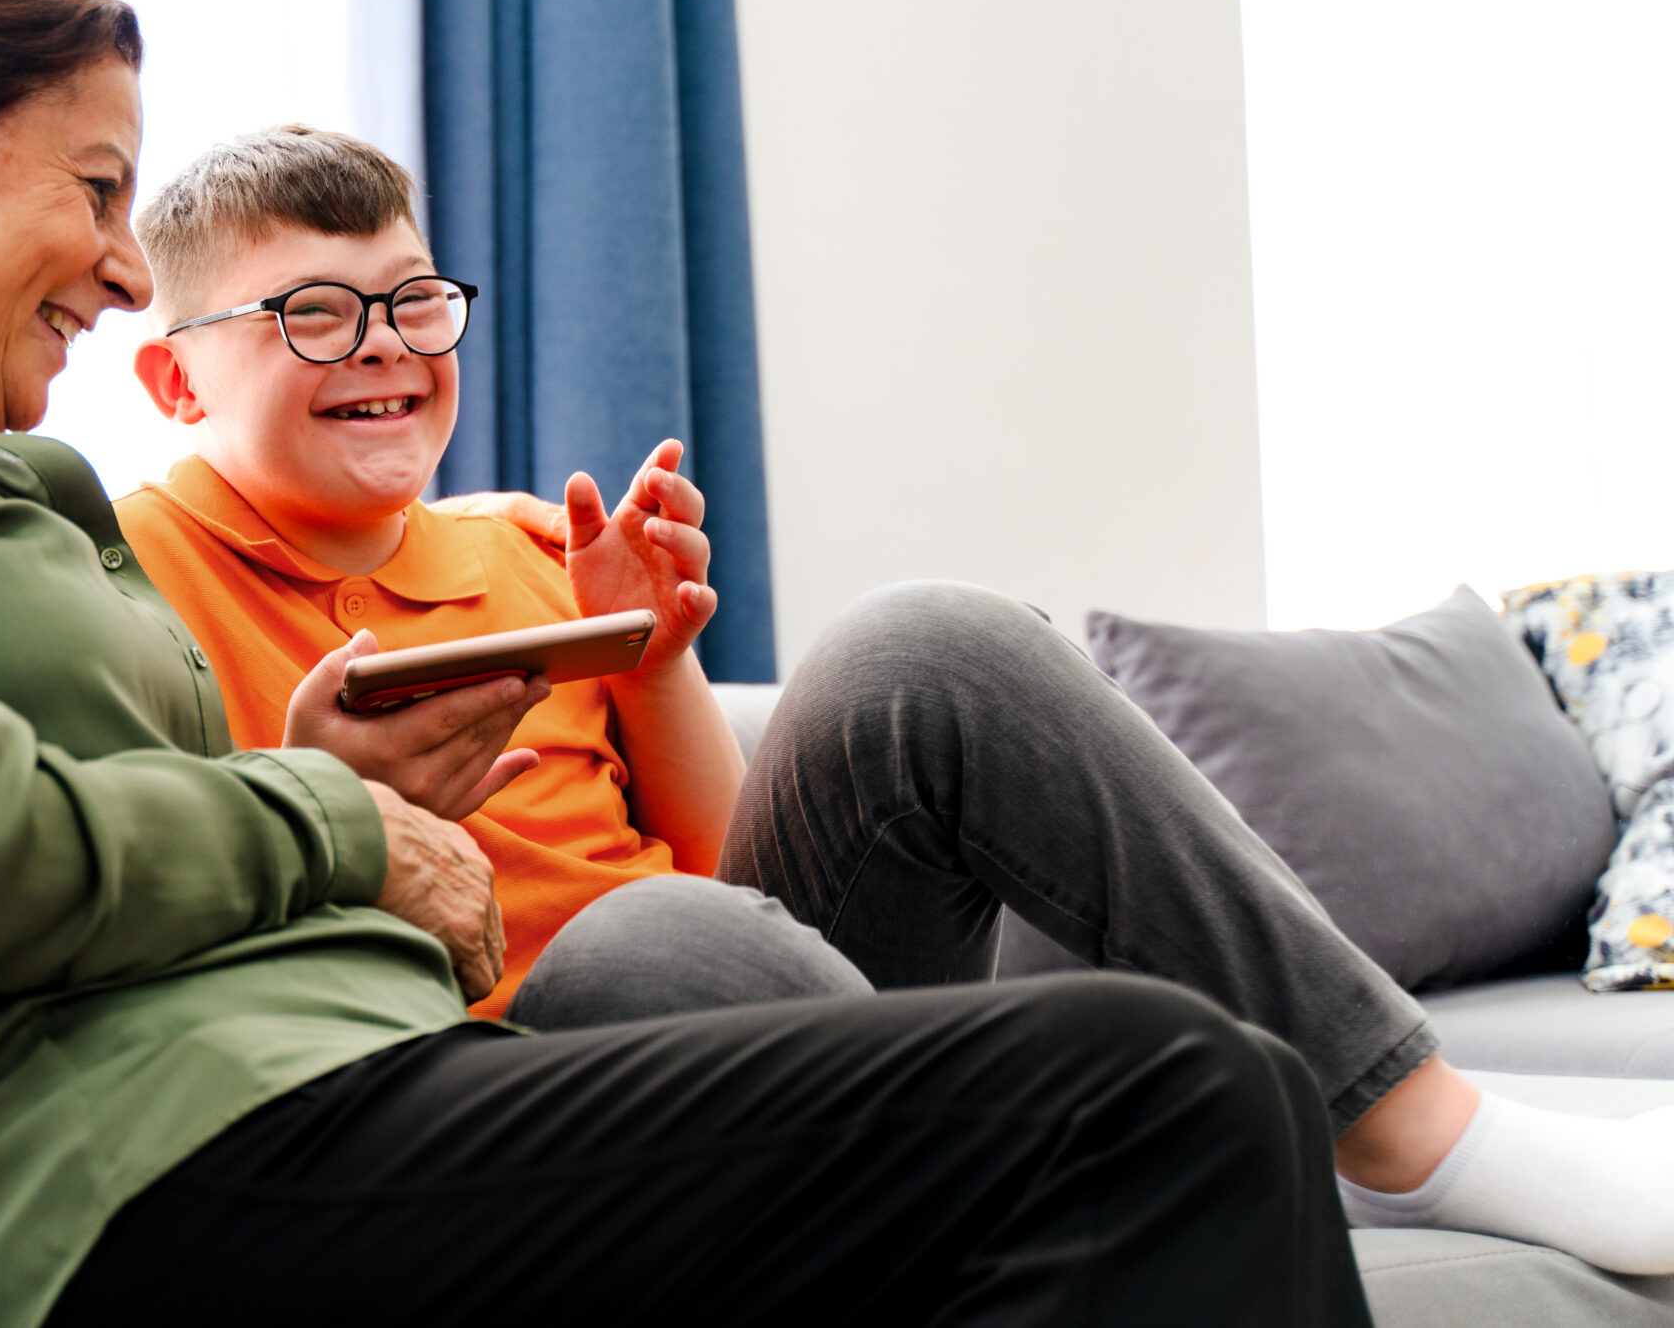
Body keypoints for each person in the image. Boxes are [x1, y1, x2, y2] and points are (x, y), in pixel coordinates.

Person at [0, 0, 1370, 1328]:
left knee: (1150, 1043)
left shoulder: (21, 500)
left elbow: (140, 857)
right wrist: (339, 821)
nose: (125, 258)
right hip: (116, 1194)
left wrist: (322, 783)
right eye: (93, 189)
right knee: (1163, 1092)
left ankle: (1409, 1106)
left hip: (344, 1091)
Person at [117, 122, 1674, 1278]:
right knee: (649, 942)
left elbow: (752, 886)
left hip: (768, 1017)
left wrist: (644, 652)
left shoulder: (535, 542)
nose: (384, 352)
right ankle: (1098, 1169)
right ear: (178, 382)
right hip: (515, 1107)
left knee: (926, 644)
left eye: (413, 303)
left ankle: (1412, 1134)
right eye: (312, 316)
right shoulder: (126, 577)